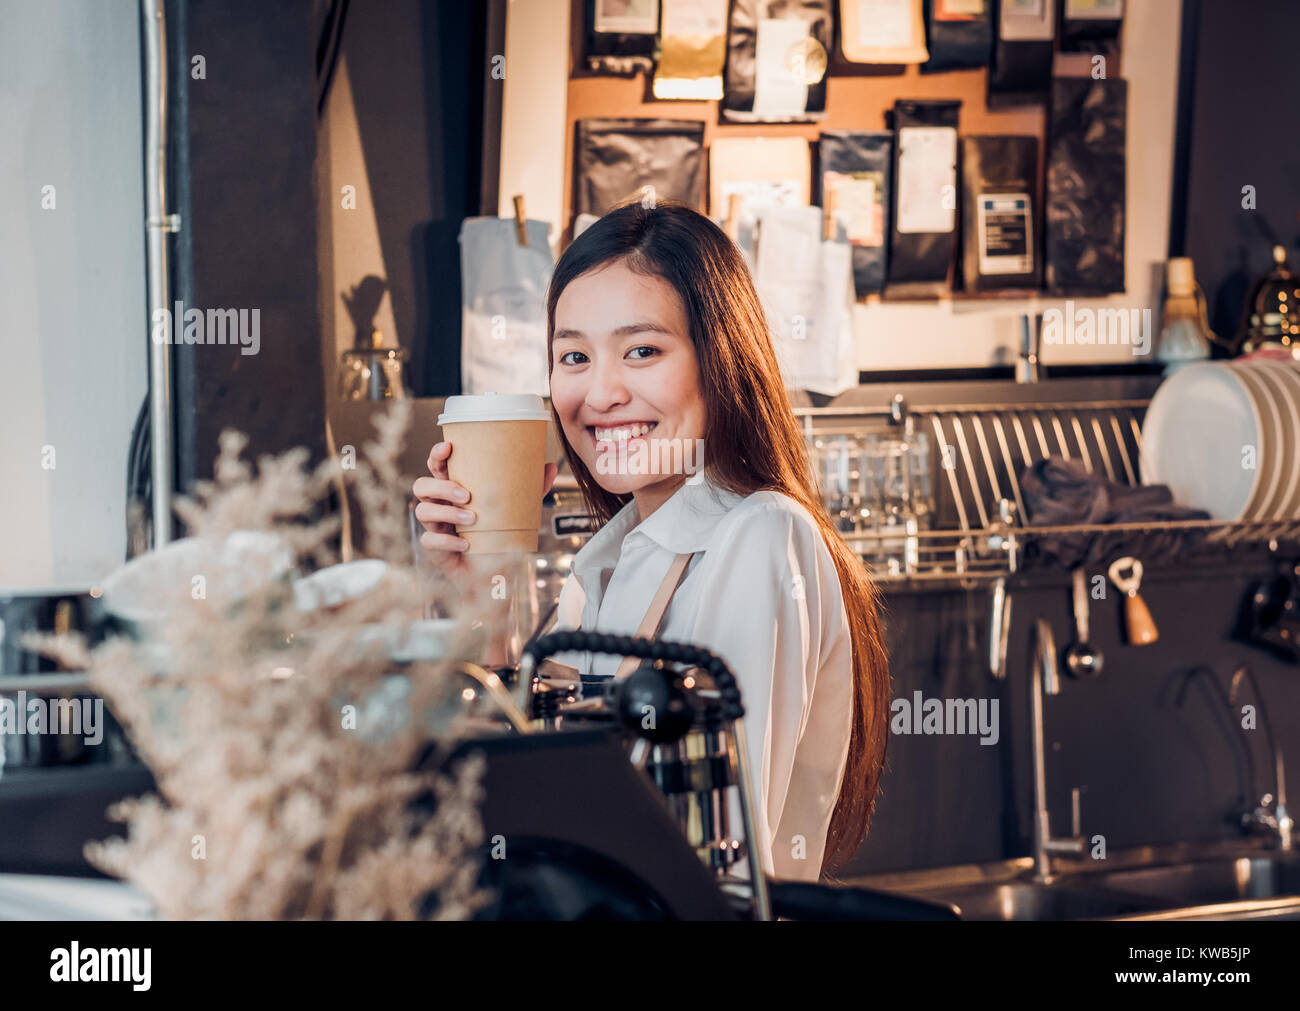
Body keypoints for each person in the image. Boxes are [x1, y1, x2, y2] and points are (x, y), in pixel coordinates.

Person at [414, 198, 890, 883]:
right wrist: (478, 593)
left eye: (642, 350)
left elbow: (705, 849)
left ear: (719, 358)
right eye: (573, 355)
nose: (600, 392)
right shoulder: (607, 562)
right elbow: (517, 796)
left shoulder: (760, 535)